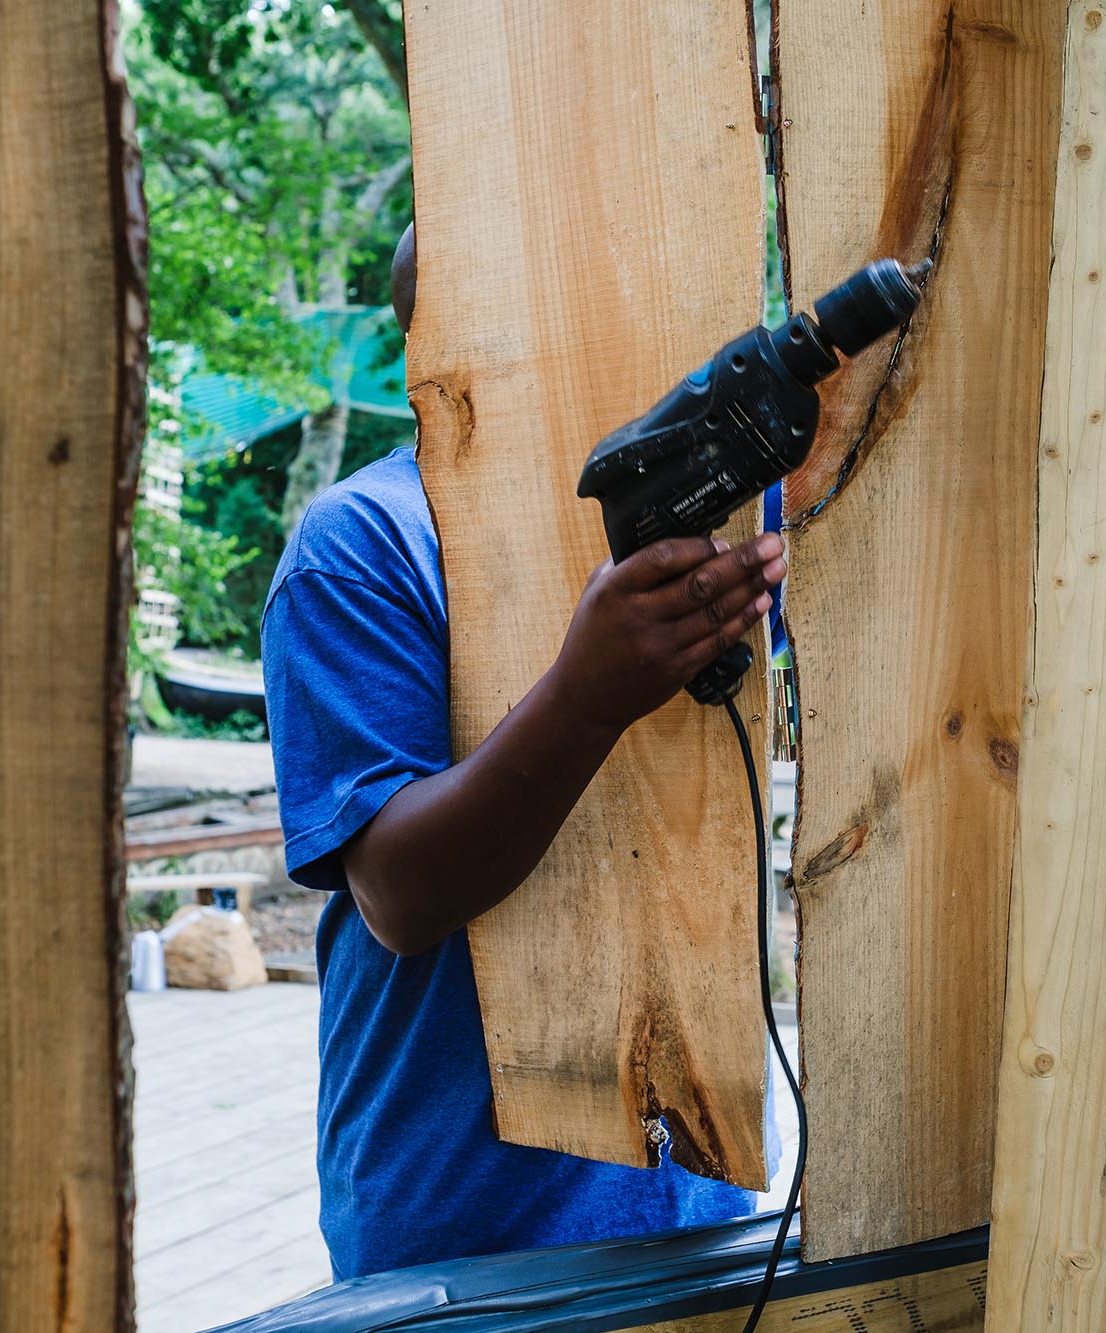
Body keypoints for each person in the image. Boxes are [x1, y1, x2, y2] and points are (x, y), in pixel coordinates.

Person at [262, 222, 787, 1281]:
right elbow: (398, 894)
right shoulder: (363, 541)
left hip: (702, 1202)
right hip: (461, 1232)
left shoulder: (706, 506)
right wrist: (586, 698)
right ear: (425, 353)